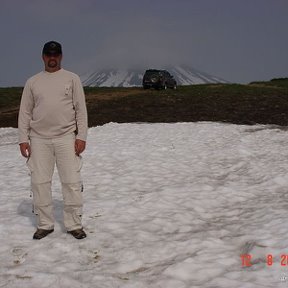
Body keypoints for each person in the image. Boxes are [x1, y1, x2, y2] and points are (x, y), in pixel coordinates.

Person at [18, 41, 88, 240]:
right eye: (48, 54)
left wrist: (81, 136)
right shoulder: (33, 82)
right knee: (40, 183)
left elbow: (81, 110)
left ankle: (74, 224)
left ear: (61, 56)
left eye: (56, 54)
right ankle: (45, 224)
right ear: (43, 57)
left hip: (66, 137)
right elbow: (25, 112)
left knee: (72, 182)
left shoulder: (72, 79)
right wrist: (23, 139)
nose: (52, 58)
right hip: (39, 139)